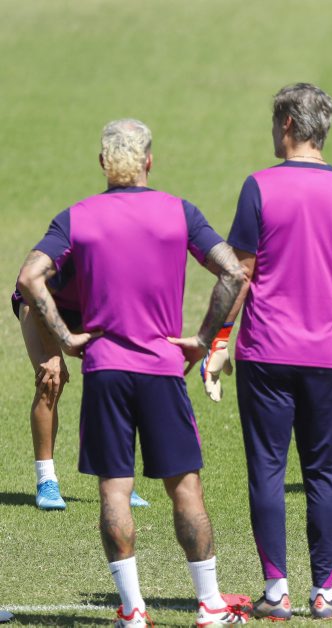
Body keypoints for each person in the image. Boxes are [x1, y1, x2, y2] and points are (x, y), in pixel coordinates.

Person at [16, 119, 248, 627]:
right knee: (185, 488)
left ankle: (132, 611)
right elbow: (234, 272)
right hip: (162, 369)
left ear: (104, 162)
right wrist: (203, 339)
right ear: (149, 161)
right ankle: (210, 605)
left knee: (114, 492)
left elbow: (29, 277)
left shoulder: (76, 218)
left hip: (105, 372)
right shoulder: (180, 212)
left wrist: (66, 338)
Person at [200, 83, 332, 620]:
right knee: (323, 475)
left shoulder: (259, 186)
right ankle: (324, 593)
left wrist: (219, 339)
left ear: (286, 124)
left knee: (268, 472)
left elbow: (240, 273)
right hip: (325, 357)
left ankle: (276, 591)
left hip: (265, 354)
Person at [13, 276, 149, 510]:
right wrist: (53, 353)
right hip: (38, 301)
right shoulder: (63, 253)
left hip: (88, 307)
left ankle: (117, 479)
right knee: (51, 380)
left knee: (113, 379)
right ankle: (46, 481)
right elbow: (33, 285)